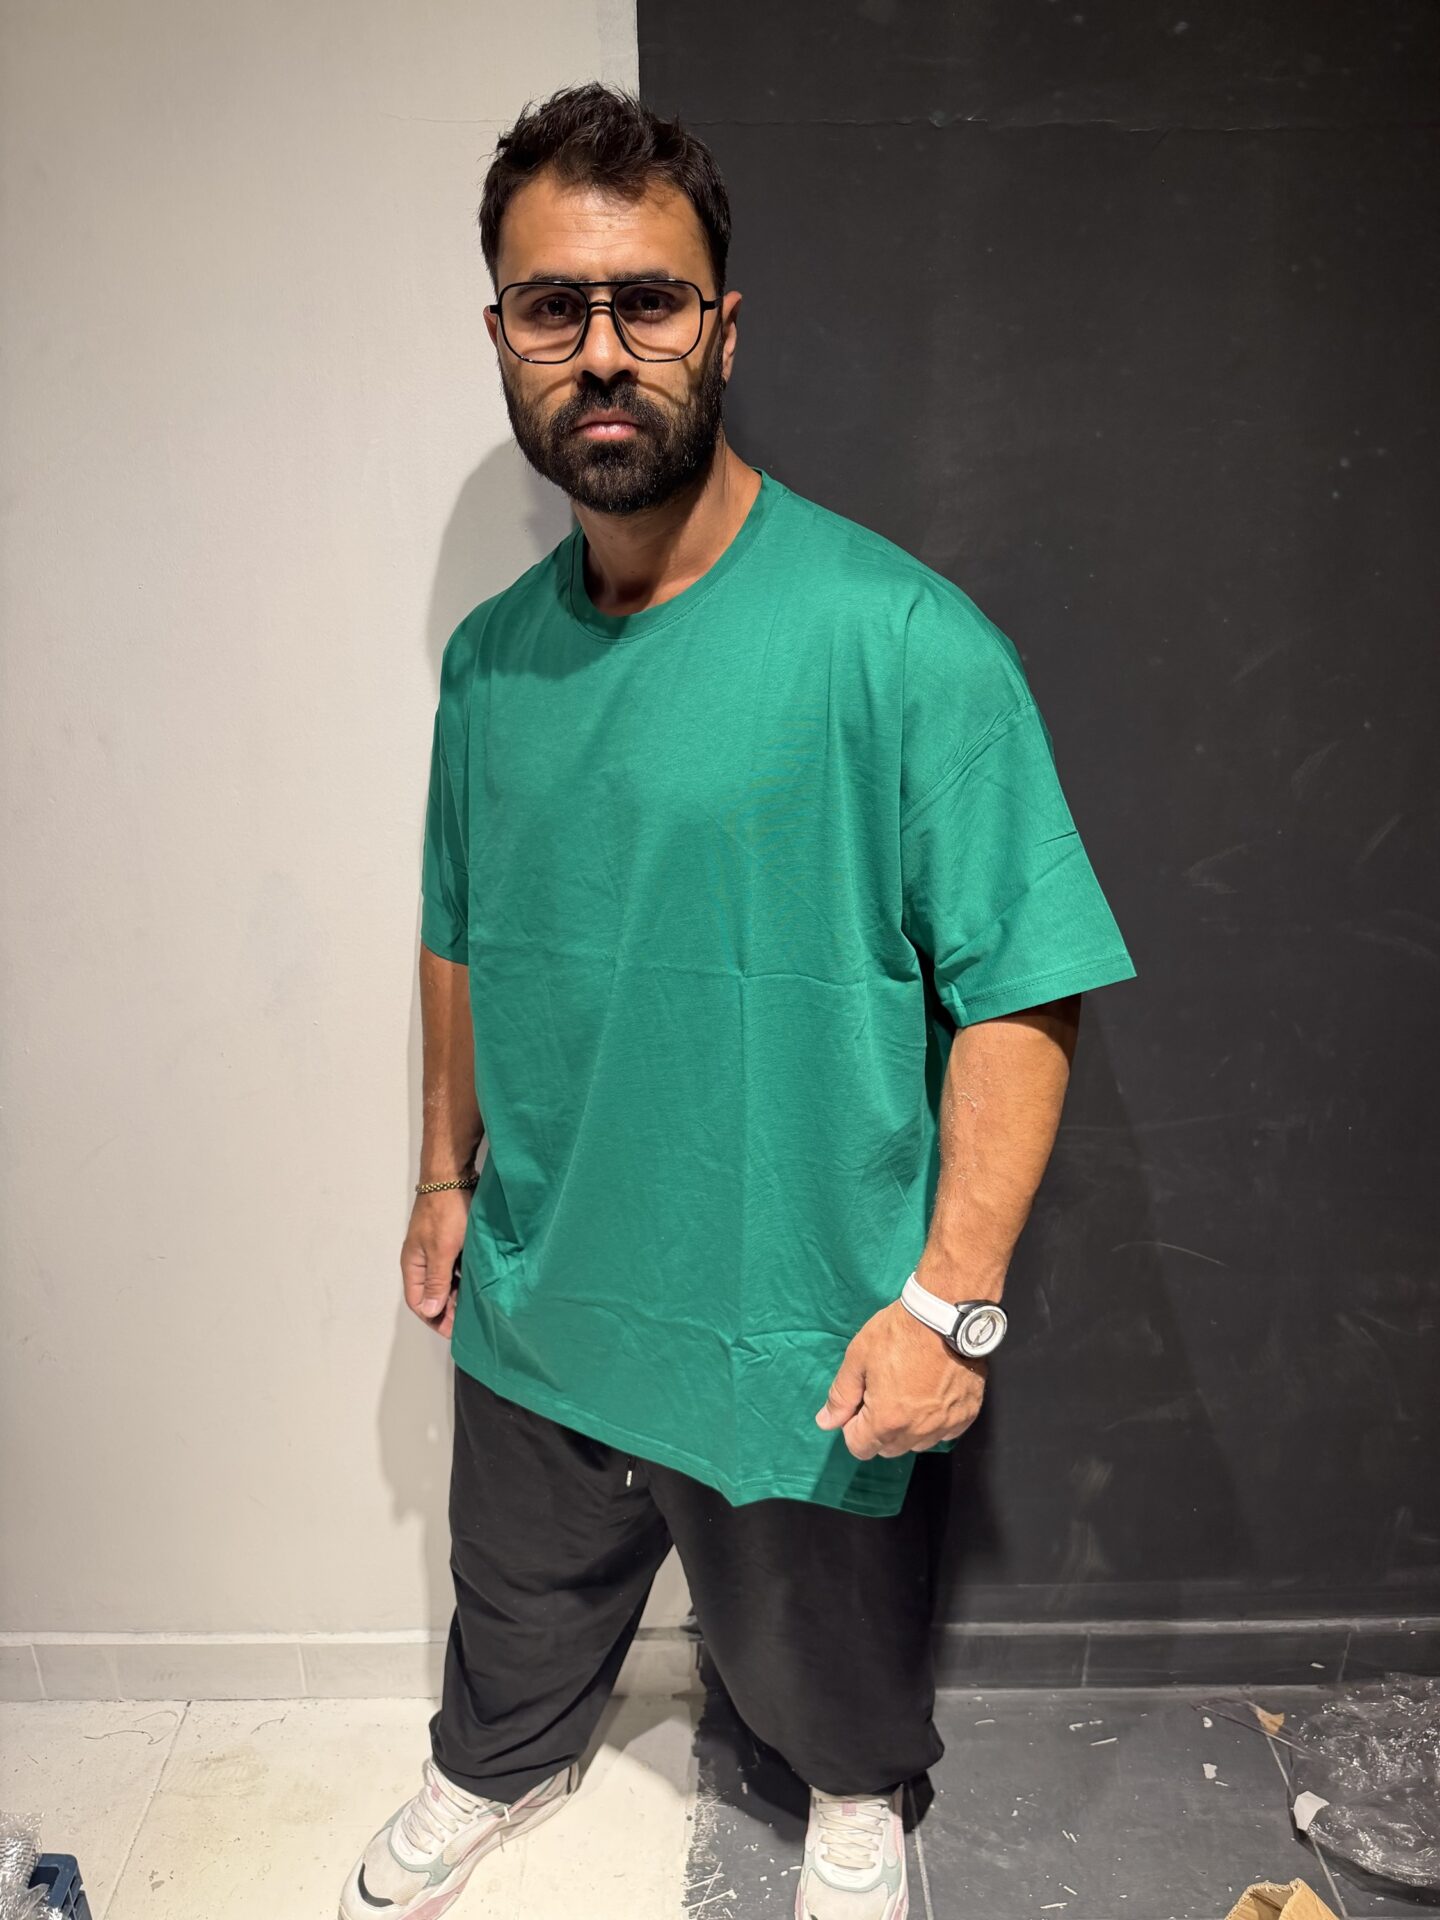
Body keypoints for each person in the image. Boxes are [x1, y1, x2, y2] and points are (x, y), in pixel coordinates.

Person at [339, 78, 1137, 1920]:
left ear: (722, 326)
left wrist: (949, 1304)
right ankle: (500, 1761)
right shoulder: (490, 665)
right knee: (519, 1600)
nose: (603, 350)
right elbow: (458, 925)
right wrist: (445, 1169)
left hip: (798, 1313)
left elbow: (1027, 993)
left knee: (830, 1669)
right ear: (502, 335)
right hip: (551, 1278)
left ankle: (860, 1795)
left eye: (649, 301)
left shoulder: (898, 641)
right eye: (555, 306)